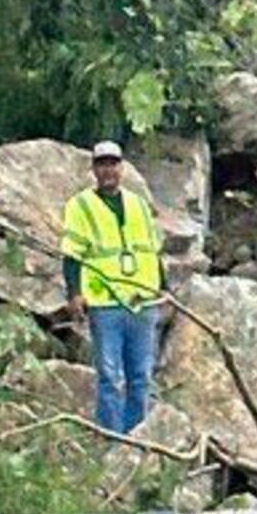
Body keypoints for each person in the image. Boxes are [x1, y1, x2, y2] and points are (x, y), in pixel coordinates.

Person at [60, 137, 165, 437]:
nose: (108, 170)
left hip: (141, 301)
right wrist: (74, 293)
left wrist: (163, 289)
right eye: (102, 164)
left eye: (113, 164)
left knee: (141, 376)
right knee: (109, 375)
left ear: (122, 168)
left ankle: (135, 436)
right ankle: (111, 438)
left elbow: (152, 251)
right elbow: (72, 254)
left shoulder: (138, 205)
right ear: (94, 169)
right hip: (105, 302)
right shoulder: (80, 206)